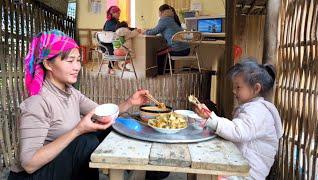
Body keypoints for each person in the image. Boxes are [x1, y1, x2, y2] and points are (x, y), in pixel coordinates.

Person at [8, 30, 149, 180]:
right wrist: (78, 130)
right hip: (33, 175)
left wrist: (130, 102)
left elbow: (102, 114)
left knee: (108, 126)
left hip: (59, 166)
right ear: (48, 64)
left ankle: (141, 168)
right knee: (86, 141)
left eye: (78, 60)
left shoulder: (71, 92)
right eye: (70, 61)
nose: (77, 67)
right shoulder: (38, 102)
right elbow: (29, 164)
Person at [194, 58, 283, 179]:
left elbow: (238, 131)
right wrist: (210, 118)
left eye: (238, 87)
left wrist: (212, 119)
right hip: (241, 166)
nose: (233, 91)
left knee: (207, 171)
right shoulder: (253, 108)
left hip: (248, 174)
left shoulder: (258, 111)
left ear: (256, 89)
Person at [144, 4, 190, 75]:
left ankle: (160, 73)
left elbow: (154, 32)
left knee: (159, 53)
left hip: (178, 51)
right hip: (187, 50)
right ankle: (167, 71)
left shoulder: (164, 20)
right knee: (167, 49)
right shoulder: (174, 20)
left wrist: (144, 31)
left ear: (161, 12)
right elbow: (161, 30)